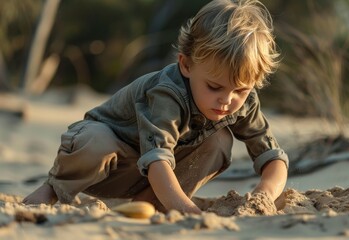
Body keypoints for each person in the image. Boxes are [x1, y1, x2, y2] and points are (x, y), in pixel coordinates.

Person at [23, 0, 289, 214]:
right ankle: (52, 189)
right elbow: (157, 160)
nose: (227, 100)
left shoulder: (243, 101)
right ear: (186, 65)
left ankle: (147, 203)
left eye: (241, 90)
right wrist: (188, 211)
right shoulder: (168, 93)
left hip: (151, 178)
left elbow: (274, 157)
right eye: (214, 87)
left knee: (220, 141)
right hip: (109, 163)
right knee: (97, 140)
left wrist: (264, 194)